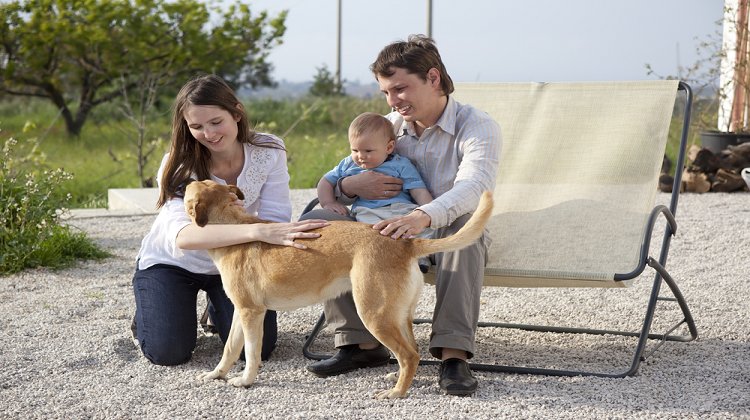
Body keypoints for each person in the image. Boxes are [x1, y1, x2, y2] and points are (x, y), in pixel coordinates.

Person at [302, 35, 501, 396]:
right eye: (386, 93)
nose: (393, 101)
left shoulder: (477, 126)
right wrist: (351, 189)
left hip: (442, 227)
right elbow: (348, 173)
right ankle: (360, 343)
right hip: (385, 230)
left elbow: (474, 187)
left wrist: (423, 215)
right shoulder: (388, 126)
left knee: (462, 229)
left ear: (433, 78)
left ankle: (453, 355)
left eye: (400, 89)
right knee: (326, 223)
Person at [132, 74, 328, 366]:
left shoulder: (268, 151)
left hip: (234, 264)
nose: (209, 134)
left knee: (261, 350)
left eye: (216, 122)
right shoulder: (178, 163)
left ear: (236, 113)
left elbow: (276, 220)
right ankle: (149, 315)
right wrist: (256, 228)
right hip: (174, 264)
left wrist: (262, 230)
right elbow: (184, 237)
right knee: (169, 353)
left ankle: (216, 305)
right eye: (196, 126)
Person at [317, 112, 433, 270]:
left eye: (368, 151)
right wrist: (328, 202)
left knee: (420, 229)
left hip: (401, 209)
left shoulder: (401, 165)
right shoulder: (348, 164)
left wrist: (429, 210)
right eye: (355, 150)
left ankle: (419, 258)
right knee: (370, 232)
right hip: (368, 210)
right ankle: (380, 257)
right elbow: (325, 181)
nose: (361, 156)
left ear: (389, 147)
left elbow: (418, 190)